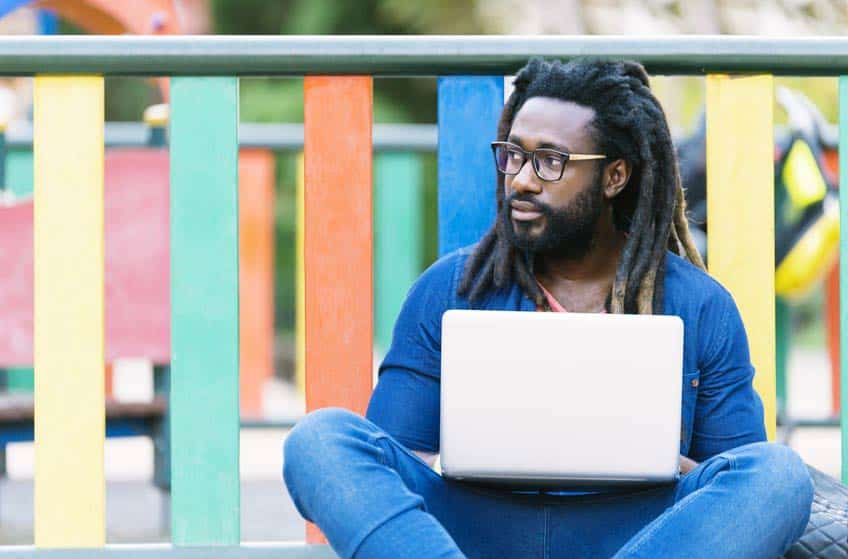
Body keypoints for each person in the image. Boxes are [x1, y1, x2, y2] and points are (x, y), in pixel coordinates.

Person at [283, 58, 814, 559]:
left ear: (615, 177)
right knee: (320, 440)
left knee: (779, 476)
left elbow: (736, 472)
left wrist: (650, 458)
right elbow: (393, 460)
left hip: (637, 533)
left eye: (550, 161)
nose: (521, 179)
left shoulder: (700, 305)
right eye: (513, 154)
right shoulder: (449, 288)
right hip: (473, 529)